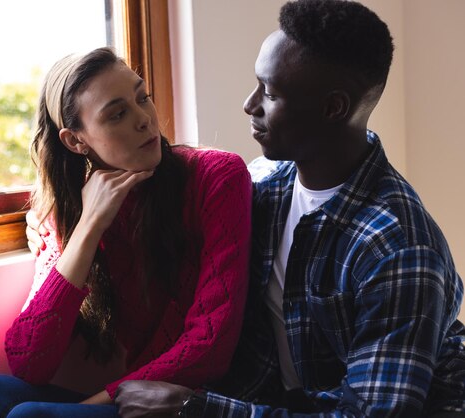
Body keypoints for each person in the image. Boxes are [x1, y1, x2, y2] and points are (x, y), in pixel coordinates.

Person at [112, 0, 465, 417]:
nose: (250, 104)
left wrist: (196, 408)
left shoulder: (399, 249)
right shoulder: (263, 185)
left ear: (333, 108)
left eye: (271, 93)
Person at [0, 47, 252, 417]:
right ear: (76, 141)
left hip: (194, 403)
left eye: (143, 97)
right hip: (129, 398)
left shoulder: (216, 176)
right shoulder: (68, 208)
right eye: (117, 114)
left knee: (29, 416)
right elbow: (29, 361)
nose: (144, 120)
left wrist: (93, 403)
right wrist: (88, 226)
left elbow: (210, 347)